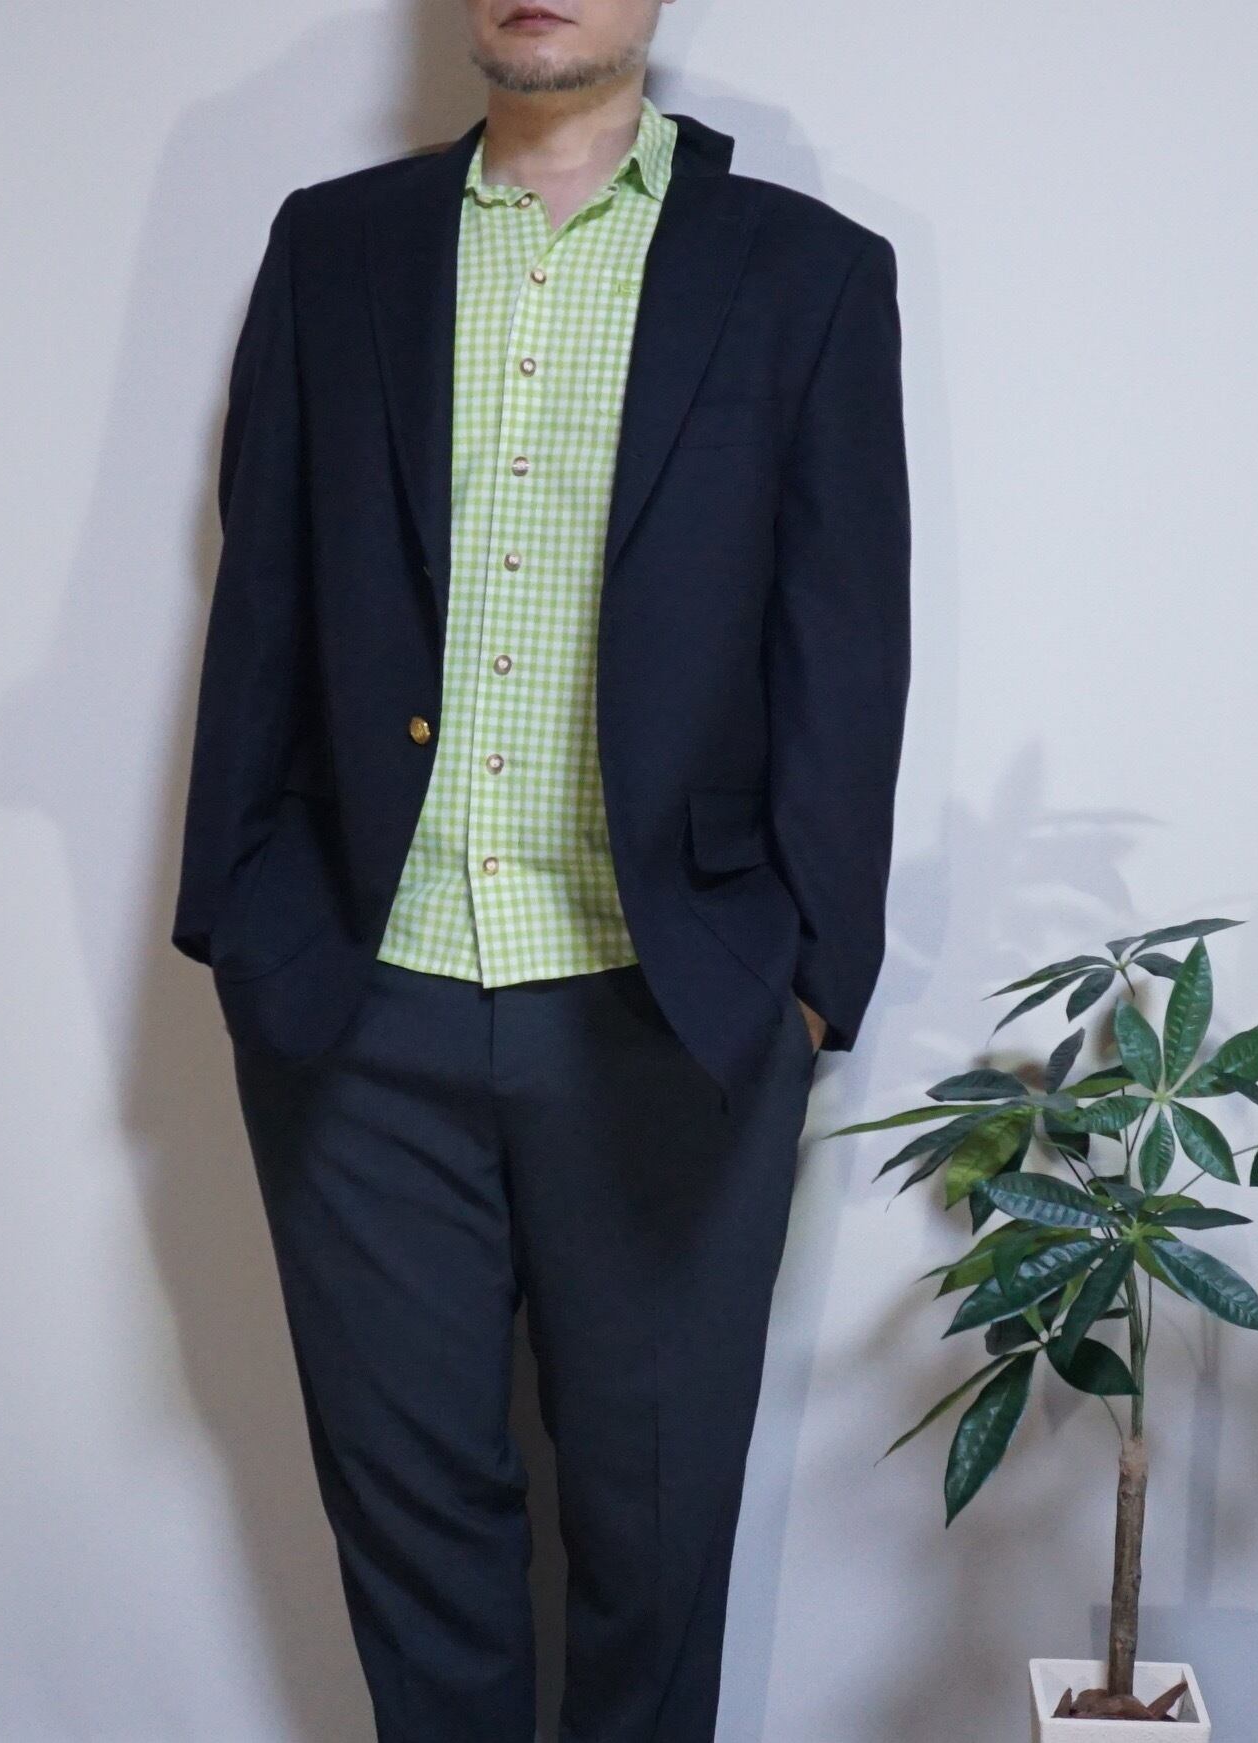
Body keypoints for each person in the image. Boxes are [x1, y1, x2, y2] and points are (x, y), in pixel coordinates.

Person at [170, 1, 910, 1735]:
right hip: (366, 1008)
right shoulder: (334, 247)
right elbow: (261, 595)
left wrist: (810, 984)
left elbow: (845, 641)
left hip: (676, 1013)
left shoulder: (805, 274)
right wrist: (249, 926)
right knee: (419, 1560)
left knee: (656, 1555)